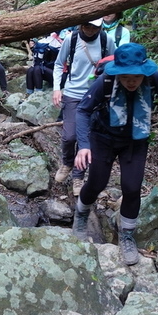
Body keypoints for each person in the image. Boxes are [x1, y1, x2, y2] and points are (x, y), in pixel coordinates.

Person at [72, 42, 158, 265]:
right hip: (103, 137)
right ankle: (81, 216)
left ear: (143, 71)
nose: (131, 81)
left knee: (132, 188)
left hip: (135, 139)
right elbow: (83, 110)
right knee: (97, 183)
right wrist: (84, 145)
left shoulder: (153, 77)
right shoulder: (104, 81)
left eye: (135, 76)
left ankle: (126, 236)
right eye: (125, 77)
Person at [53, 19, 116, 195]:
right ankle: (67, 162)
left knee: (84, 139)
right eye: (86, 25)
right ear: (80, 24)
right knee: (69, 137)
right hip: (72, 93)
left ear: (100, 26)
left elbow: (115, 62)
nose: (90, 30)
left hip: (96, 95)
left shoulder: (106, 40)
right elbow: (59, 64)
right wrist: (57, 89)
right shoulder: (71, 39)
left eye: (94, 26)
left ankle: (78, 178)